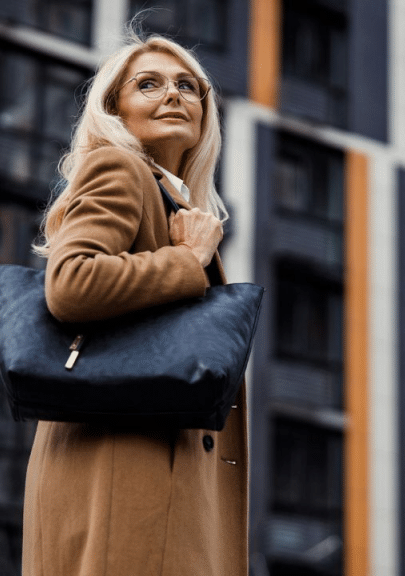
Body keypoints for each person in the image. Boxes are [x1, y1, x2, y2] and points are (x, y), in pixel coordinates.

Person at [24, 32, 248, 576]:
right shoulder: (121, 170)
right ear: (114, 110)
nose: (173, 95)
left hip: (150, 479)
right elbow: (72, 282)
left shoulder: (173, 200)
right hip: (124, 478)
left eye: (187, 86)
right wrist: (187, 262)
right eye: (148, 84)